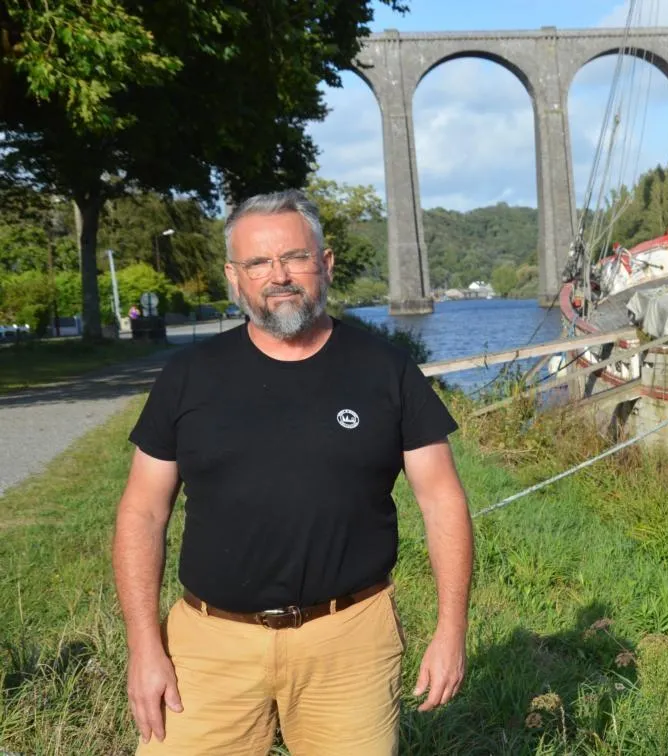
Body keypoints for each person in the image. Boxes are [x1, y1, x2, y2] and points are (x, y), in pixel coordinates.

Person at [112, 189, 473, 754]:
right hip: (207, 645)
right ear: (235, 278)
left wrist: (452, 632)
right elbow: (143, 509)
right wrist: (142, 645)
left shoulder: (387, 369)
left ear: (324, 265)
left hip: (350, 639)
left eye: (294, 257)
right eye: (258, 263)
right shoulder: (188, 377)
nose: (278, 275)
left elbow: (442, 500)